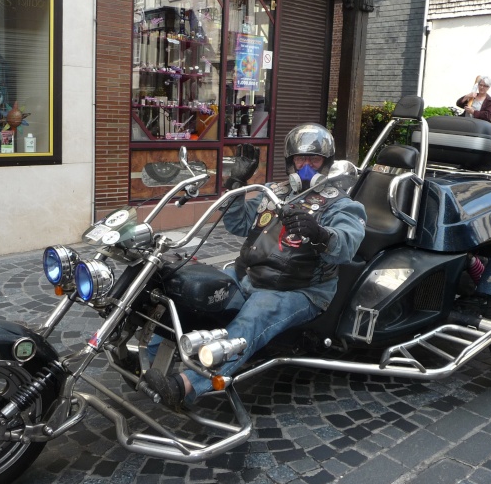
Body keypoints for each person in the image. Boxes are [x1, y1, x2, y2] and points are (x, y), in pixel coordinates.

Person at [144, 124, 368, 407]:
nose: (306, 167)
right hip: (246, 275)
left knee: (254, 316)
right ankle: (151, 366)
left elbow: (347, 245)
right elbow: (238, 223)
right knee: (193, 292)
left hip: (300, 289)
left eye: (314, 160)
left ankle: (184, 386)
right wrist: (236, 185)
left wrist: (321, 234)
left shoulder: (342, 205)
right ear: (290, 161)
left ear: (326, 163)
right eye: (301, 159)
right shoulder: (274, 191)